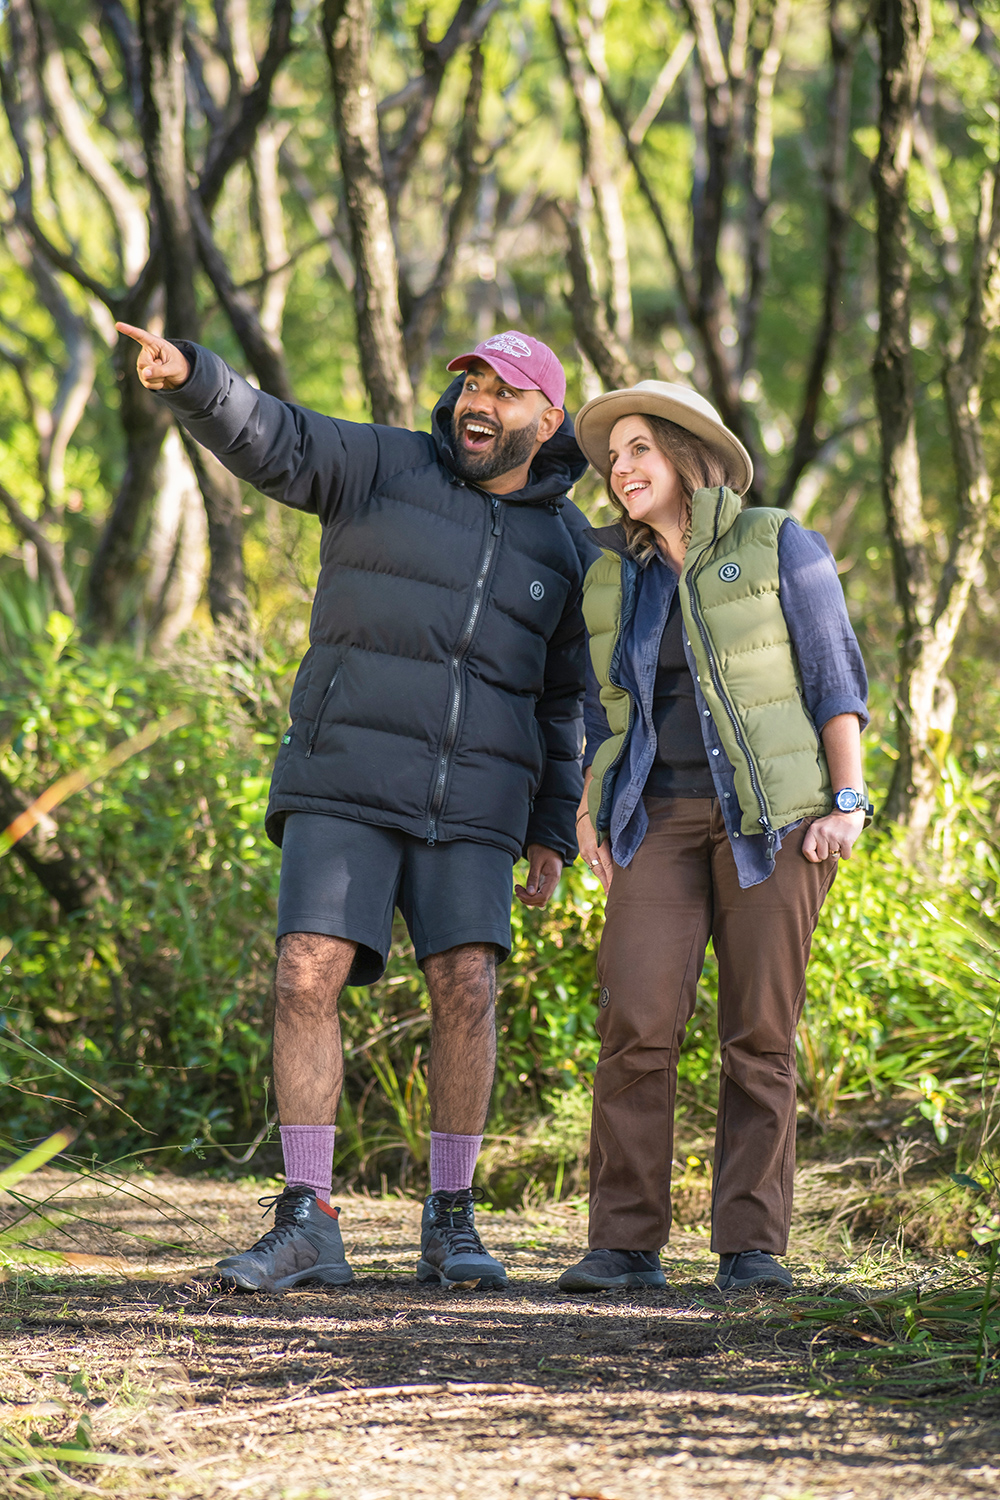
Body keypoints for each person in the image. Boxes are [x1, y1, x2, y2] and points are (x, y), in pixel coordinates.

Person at [116, 320, 596, 1292]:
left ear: (546, 421)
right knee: (305, 973)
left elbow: (564, 701)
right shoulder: (382, 464)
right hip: (344, 773)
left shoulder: (569, 546)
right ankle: (307, 1219)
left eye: (503, 393)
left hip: (477, 798)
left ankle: (451, 1219)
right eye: (470, 384)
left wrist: (552, 826)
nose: (477, 403)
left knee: (467, 986)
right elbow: (277, 436)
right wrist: (195, 378)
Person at [557, 380, 870, 1294]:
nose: (621, 469)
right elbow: (601, 708)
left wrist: (847, 802)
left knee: (760, 1034)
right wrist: (588, 808)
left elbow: (834, 676)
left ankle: (750, 1245)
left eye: (640, 449)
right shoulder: (611, 573)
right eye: (613, 457)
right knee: (635, 1021)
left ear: (687, 454)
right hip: (653, 819)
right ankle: (624, 1243)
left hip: (774, 823)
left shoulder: (776, 541)